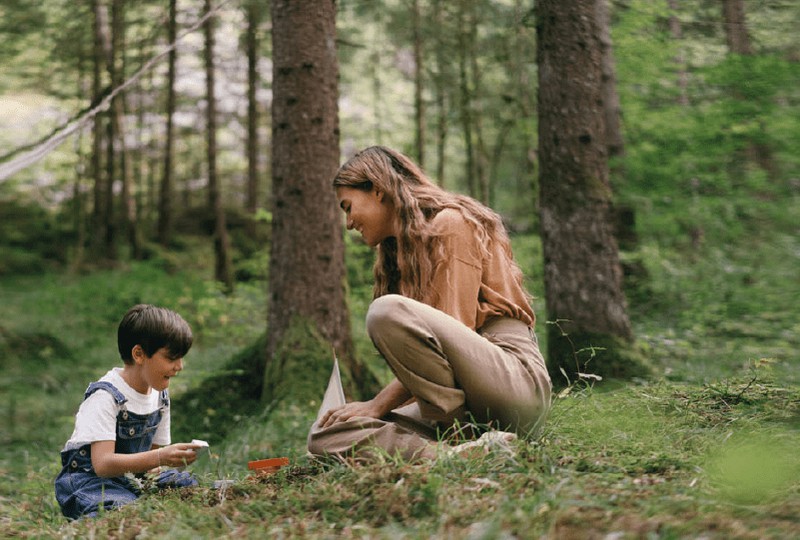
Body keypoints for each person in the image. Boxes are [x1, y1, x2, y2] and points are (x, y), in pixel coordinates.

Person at [308, 146, 552, 462]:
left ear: (378, 191)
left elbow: (455, 330)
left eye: (348, 206)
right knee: (324, 435)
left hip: (512, 385)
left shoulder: (451, 223)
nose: (349, 222)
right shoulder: (401, 256)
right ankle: (455, 455)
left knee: (386, 311)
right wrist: (368, 411)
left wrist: (378, 405)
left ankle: (458, 440)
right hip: (464, 403)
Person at [55, 304, 202, 520]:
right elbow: (103, 464)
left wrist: (166, 463)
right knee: (122, 511)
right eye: (171, 358)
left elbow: (150, 464)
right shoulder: (105, 396)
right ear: (139, 354)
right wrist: (161, 456)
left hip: (132, 478)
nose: (179, 366)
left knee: (188, 484)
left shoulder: (160, 397)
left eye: (181, 358)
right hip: (91, 480)